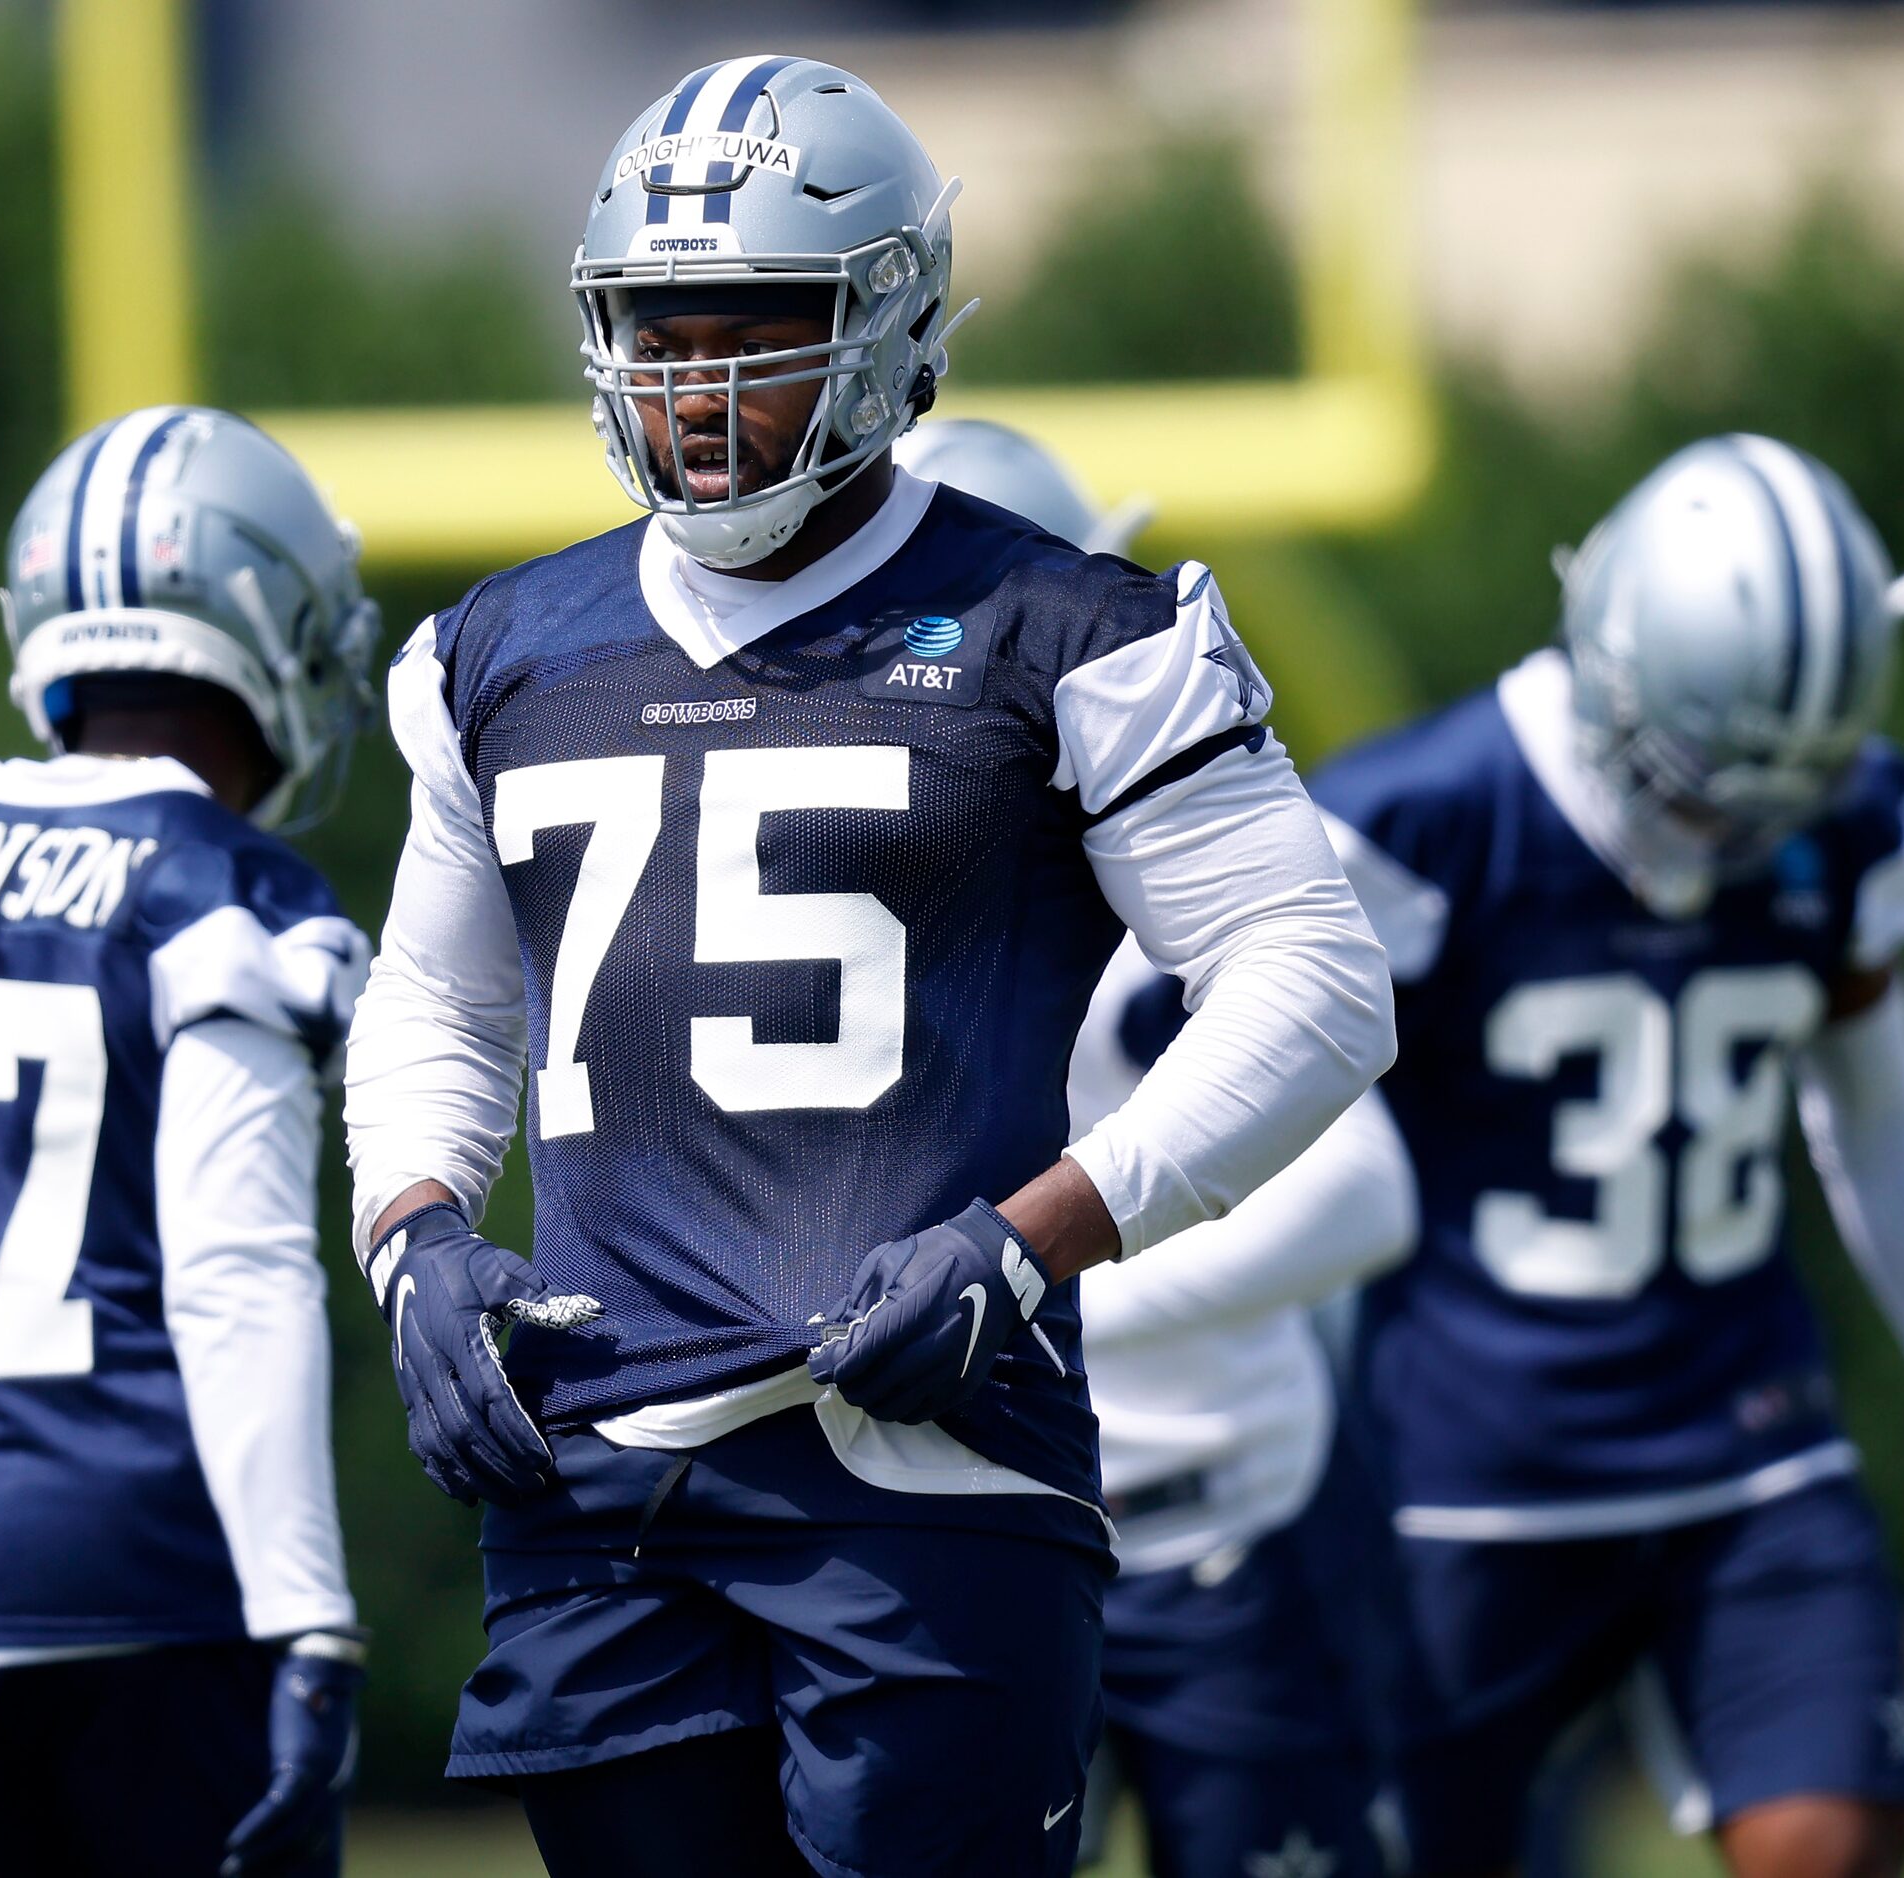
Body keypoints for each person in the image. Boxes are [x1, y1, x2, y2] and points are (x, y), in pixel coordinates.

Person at [342, 54, 1396, 1878]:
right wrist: (416, 1232)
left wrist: (1043, 1228)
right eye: (657, 332)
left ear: (894, 325)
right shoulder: (497, 649)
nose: (699, 385)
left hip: (927, 1471)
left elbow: (1314, 976)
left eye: (755, 326)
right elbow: (439, 996)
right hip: (599, 1473)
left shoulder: (1069, 629)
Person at [1308, 434, 1904, 1878]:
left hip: (1743, 1450)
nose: (1738, 836)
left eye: (1784, 798)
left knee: (1834, 1840)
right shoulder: (1419, 821)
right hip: (1460, 1472)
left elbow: (1876, 1107)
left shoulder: (1862, 821)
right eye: (1708, 782)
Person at [0, 406, 379, 1876]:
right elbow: (238, 1278)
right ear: (264, 617)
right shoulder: (225, 894)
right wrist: (310, 1617)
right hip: (139, 1580)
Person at [900, 417, 1418, 1878]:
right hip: (959, 1521)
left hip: (1215, 1511)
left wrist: (1032, 1278)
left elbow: (1364, 1189)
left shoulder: (1198, 860)